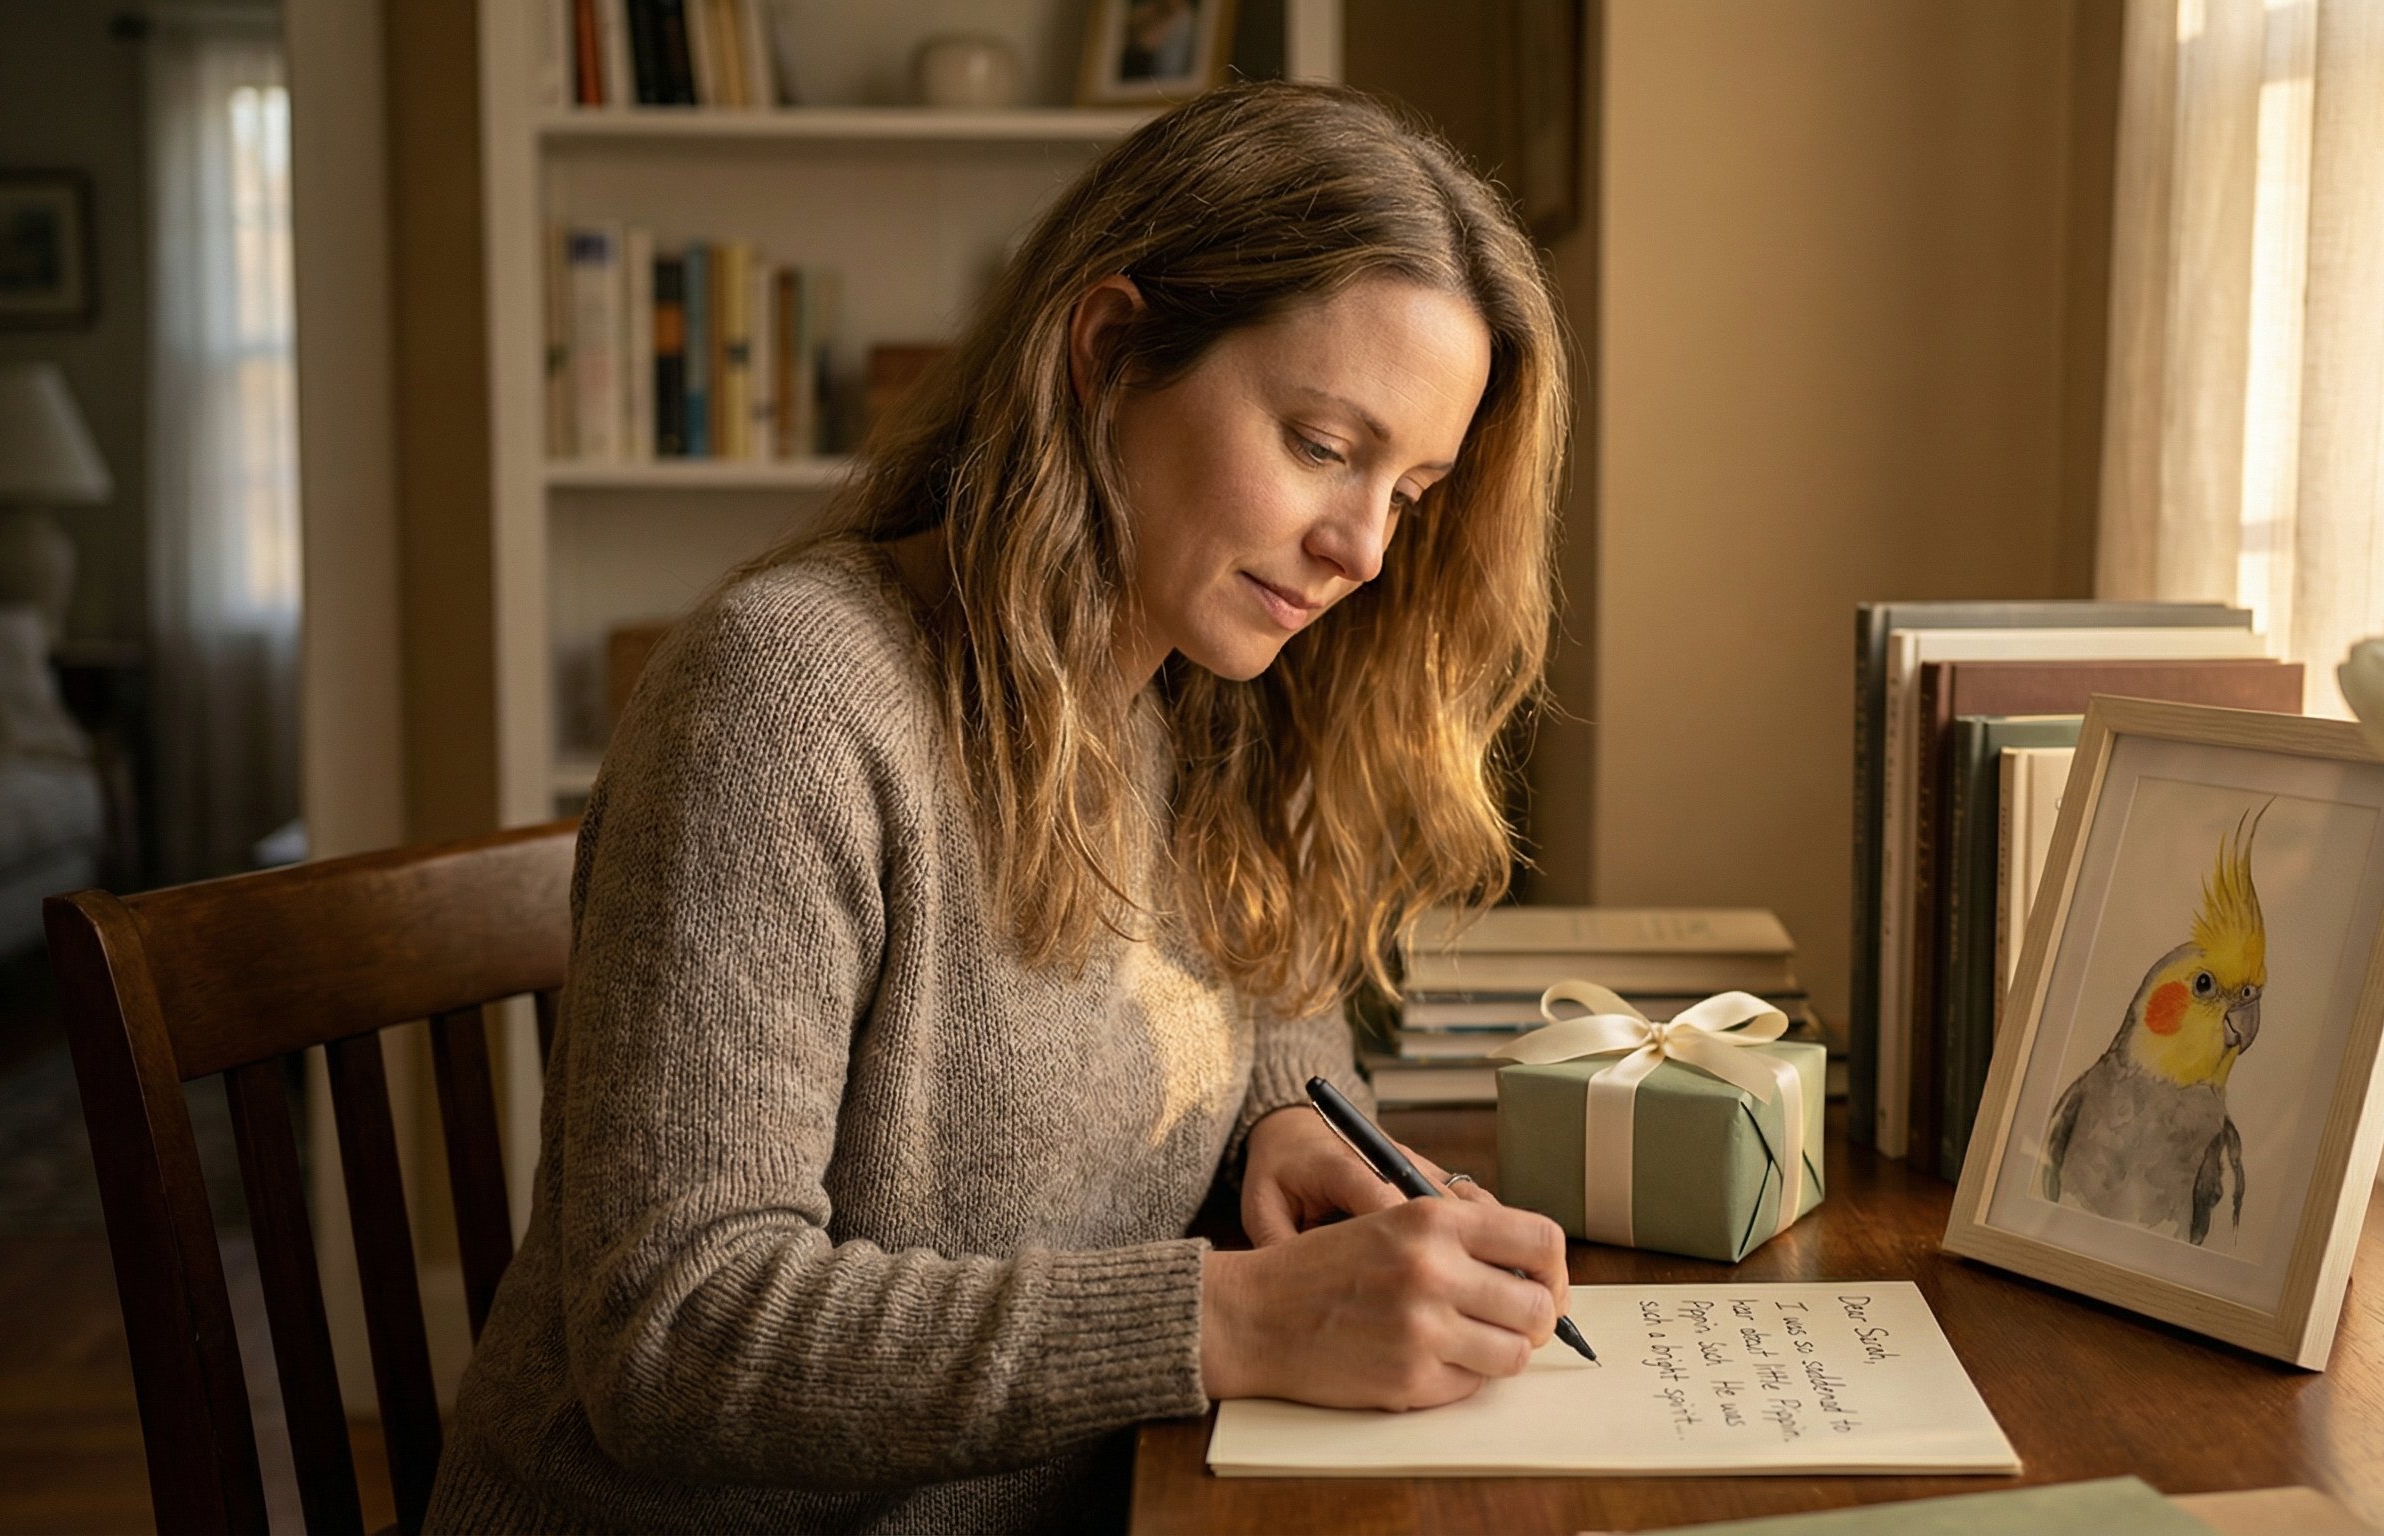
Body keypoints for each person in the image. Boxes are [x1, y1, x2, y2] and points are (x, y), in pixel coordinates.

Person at [430, 82, 1574, 1533]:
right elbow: (677, 1332)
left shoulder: (1205, 687)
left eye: (1412, 490)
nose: (1361, 547)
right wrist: (1229, 1322)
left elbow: (1265, 1022)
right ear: (1106, 353)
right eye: (1322, 445)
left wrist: (1296, 1125)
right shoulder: (787, 701)